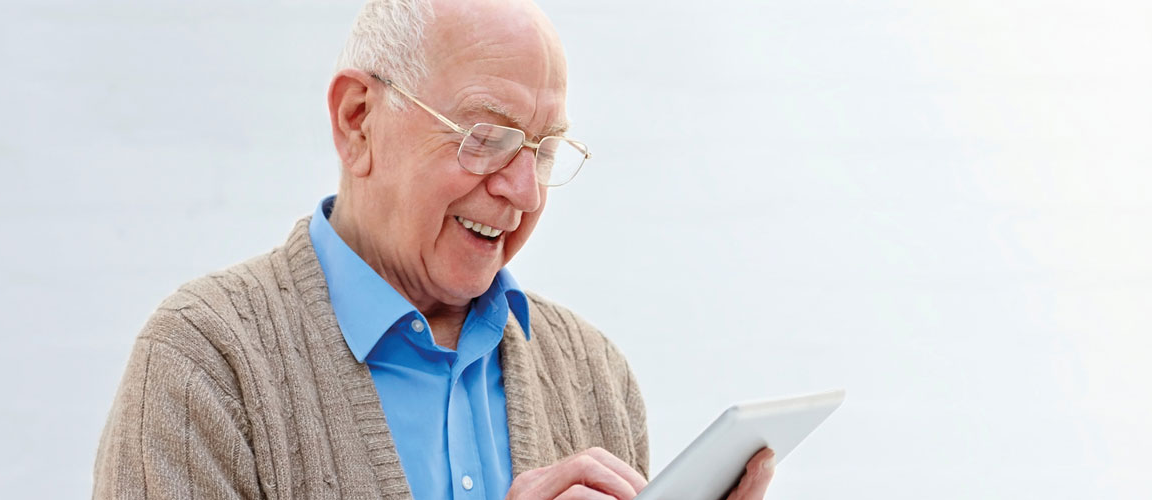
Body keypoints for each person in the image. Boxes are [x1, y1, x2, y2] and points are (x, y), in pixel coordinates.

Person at [92, 0, 777, 498]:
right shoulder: (205, 362)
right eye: (487, 135)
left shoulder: (596, 375)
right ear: (357, 120)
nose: (523, 193)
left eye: (542, 151)